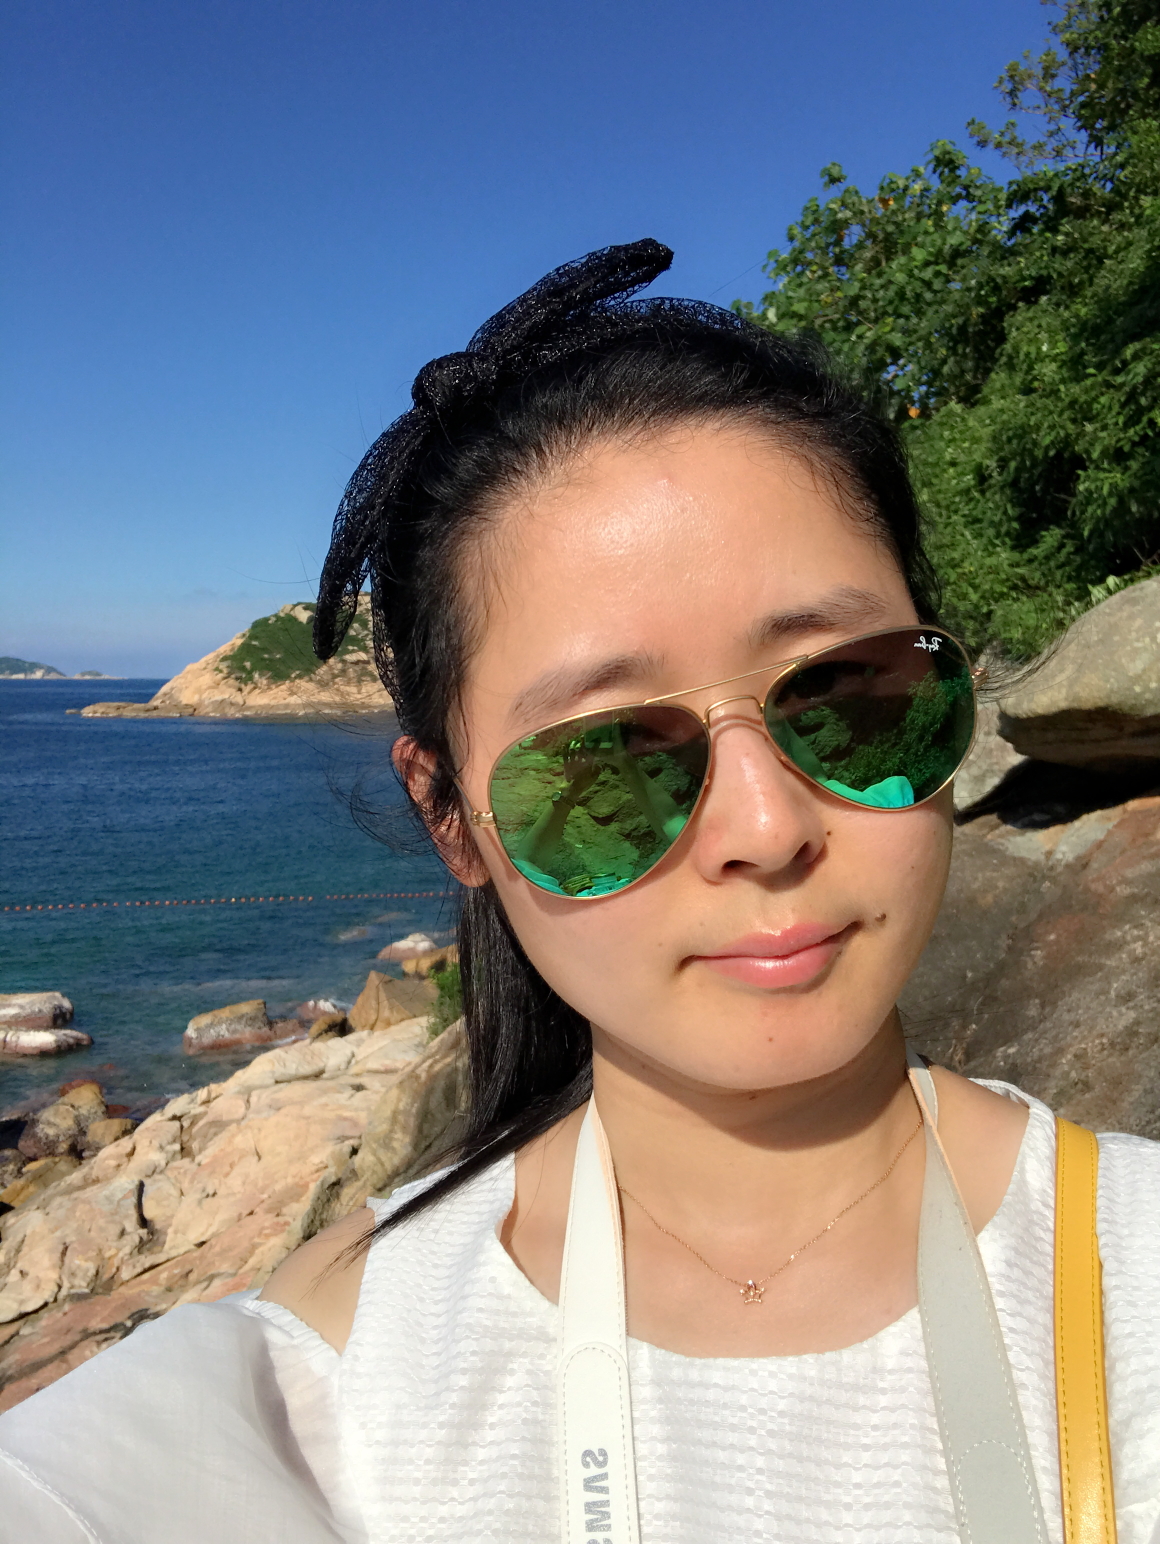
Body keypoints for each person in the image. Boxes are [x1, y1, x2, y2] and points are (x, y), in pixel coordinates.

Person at [1, 239, 1157, 1543]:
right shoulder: (322, 1389)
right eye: (607, 762)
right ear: (451, 816)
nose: (766, 828)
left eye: (845, 694)